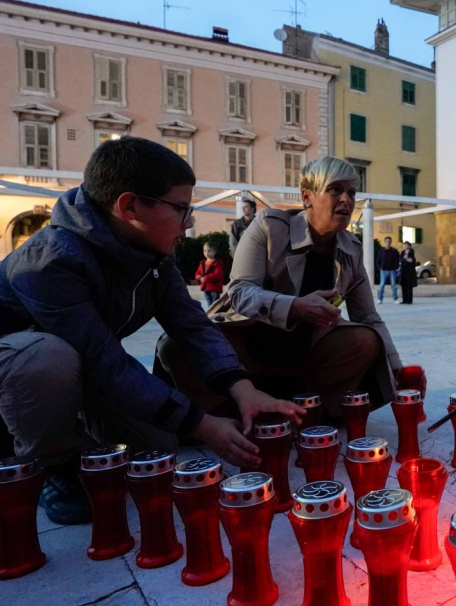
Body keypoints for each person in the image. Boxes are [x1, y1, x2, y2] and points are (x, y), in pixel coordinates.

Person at [0, 138, 300, 525]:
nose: (189, 221)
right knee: (45, 360)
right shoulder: (51, 260)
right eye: (181, 208)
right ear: (130, 206)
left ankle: (60, 425)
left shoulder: (153, 251)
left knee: (158, 448)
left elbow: (190, 322)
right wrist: (203, 423)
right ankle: (53, 464)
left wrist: (243, 389)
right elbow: (103, 359)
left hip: (79, 362)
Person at [159, 156, 423, 414]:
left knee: (365, 341)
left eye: (352, 192)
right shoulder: (268, 227)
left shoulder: (351, 249)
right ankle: (231, 411)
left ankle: (309, 407)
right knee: (177, 345)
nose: (346, 199)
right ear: (306, 196)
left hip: (308, 354)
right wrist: (295, 306)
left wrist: (398, 370)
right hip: (246, 349)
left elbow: (368, 317)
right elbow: (240, 293)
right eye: (335, 190)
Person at [195, 242, 225, 308]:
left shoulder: (217, 263)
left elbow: (217, 274)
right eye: (205, 251)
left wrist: (206, 278)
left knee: (215, 303)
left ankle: (215, 313)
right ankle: (210, 313)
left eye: (209, 251)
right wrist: (198, 277)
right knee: (209, 302)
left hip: (214, 287)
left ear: (215, 251)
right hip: (206, 287)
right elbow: (198, 272)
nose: (207, 253)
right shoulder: (202, 263)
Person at [377, 236, 400, 304]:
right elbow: (378, 260)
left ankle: (395, 299)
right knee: (382, 285)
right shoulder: (381, 251)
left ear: (391, 242)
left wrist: (396, 267)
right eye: (387, 241)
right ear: (385, 242)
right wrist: (379, 267)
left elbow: (397, 259)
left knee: (393, 285)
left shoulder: (394, 251)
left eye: (389, 241)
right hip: (383, 270)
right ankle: (380, 299)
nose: (388, 242)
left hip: (392, 270)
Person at [399, 240, 418, 305]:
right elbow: (401, 260)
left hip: (409, 271)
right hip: (403, 270)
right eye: (405, 245)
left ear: (410, 246)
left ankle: (409, 300)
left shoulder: (411, 252)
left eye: (407, 245)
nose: (406, 246)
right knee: (403, 285)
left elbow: (411, 260)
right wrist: (406, 260)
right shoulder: (402, 252)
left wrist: (405, 260)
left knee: (409, 285)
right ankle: (404, 299)